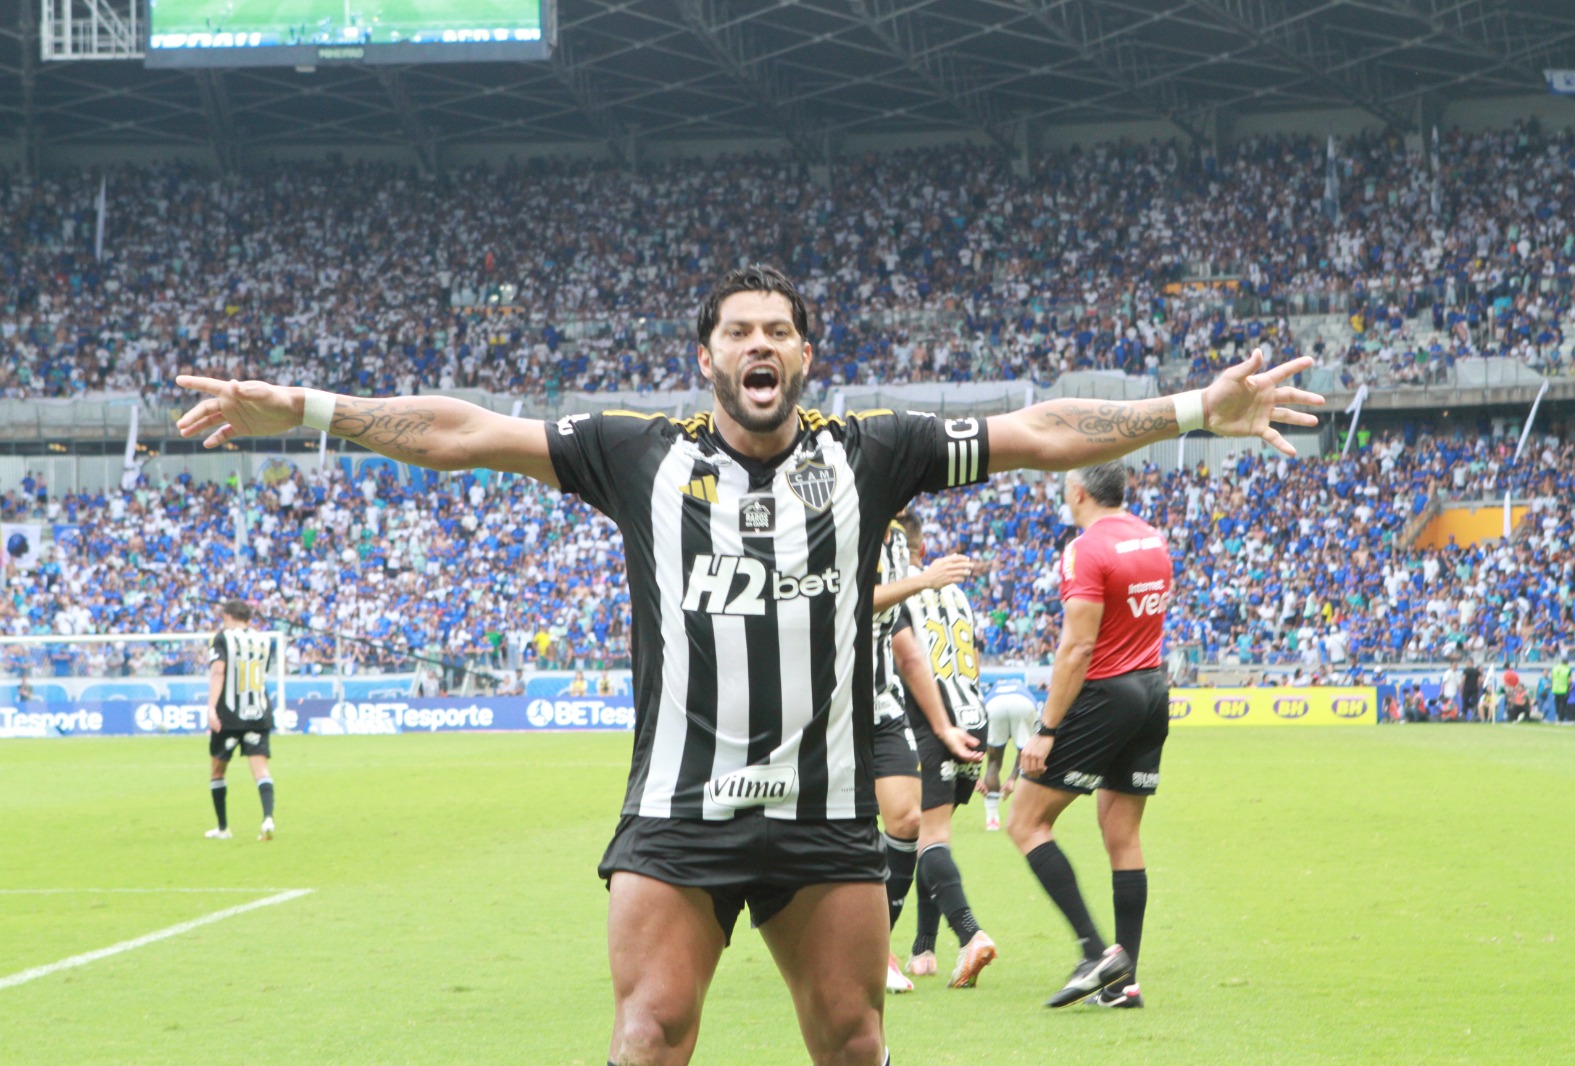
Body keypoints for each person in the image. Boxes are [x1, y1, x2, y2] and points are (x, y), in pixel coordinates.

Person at [176, 264, 1320, 1065]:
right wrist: (312, 410)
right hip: (680, 814)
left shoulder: (874, 452)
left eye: (779, 329)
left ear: (806, 354)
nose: (759, 344)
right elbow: (466, 433)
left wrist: (1188, 411)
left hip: (823, 823)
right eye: (739, 329)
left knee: (856, 1043)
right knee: (650, 1037)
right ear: (708, 355)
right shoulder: (635, 455)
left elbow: (1042, 432)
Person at [1007, 462, 1173, 1011]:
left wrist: (1046, 730)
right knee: (1122, 836)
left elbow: (1077, 648)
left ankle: (1095, 952)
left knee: (1026, 821)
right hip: (1153, 688)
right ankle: (1125, 984)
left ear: (1078, 493)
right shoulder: (1152, 538)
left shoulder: (1085, 550)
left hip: (1107, 693)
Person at [867, 522, 978, 994]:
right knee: (916, 831)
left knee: (915, 826)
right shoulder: (956, 594)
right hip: (824, 706)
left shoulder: (897, 553)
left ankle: (882, 953)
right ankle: (908, 948)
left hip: (896, 708)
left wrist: (939, 724)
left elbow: (905, 649)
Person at [895, 508, 997, 989]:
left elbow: (905, 656)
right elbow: (971, 656)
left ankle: (970, 934)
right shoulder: (955, 592)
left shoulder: (900, 594)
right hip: (973, 716)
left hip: (931, 720)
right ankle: (923, 950)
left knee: (926, 837)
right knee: (933, 838)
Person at [203, 600, 278, 842]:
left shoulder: (223, 638)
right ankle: (267, 817)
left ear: (227, 616)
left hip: (229, 717)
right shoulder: (265, 640)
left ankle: (223, 827)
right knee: (260, 769)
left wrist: (211, 708)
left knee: (217, 769)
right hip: (258, 713)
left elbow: (219, 671)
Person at [979, 677, 1041, 831]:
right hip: (1023, 704)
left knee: (993, 762)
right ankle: (1029, 818)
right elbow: (1024, 751)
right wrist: (1013, 778)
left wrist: (974, 775)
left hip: (994, 705)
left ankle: (992, 820)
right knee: (1028, 755)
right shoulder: (1022, 688)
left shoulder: (993, 690)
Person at [1550, 655, 1574, 723]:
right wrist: (1570, 686)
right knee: (1563, 704)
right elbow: (1569, 679)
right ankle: (1561, 718)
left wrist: (1552, 685)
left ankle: (1557, 716)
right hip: (1564, 689)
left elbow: (1552, 677)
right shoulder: (1567, 669)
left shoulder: (1555, 667)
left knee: (1557, 704)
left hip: (1555, 688)